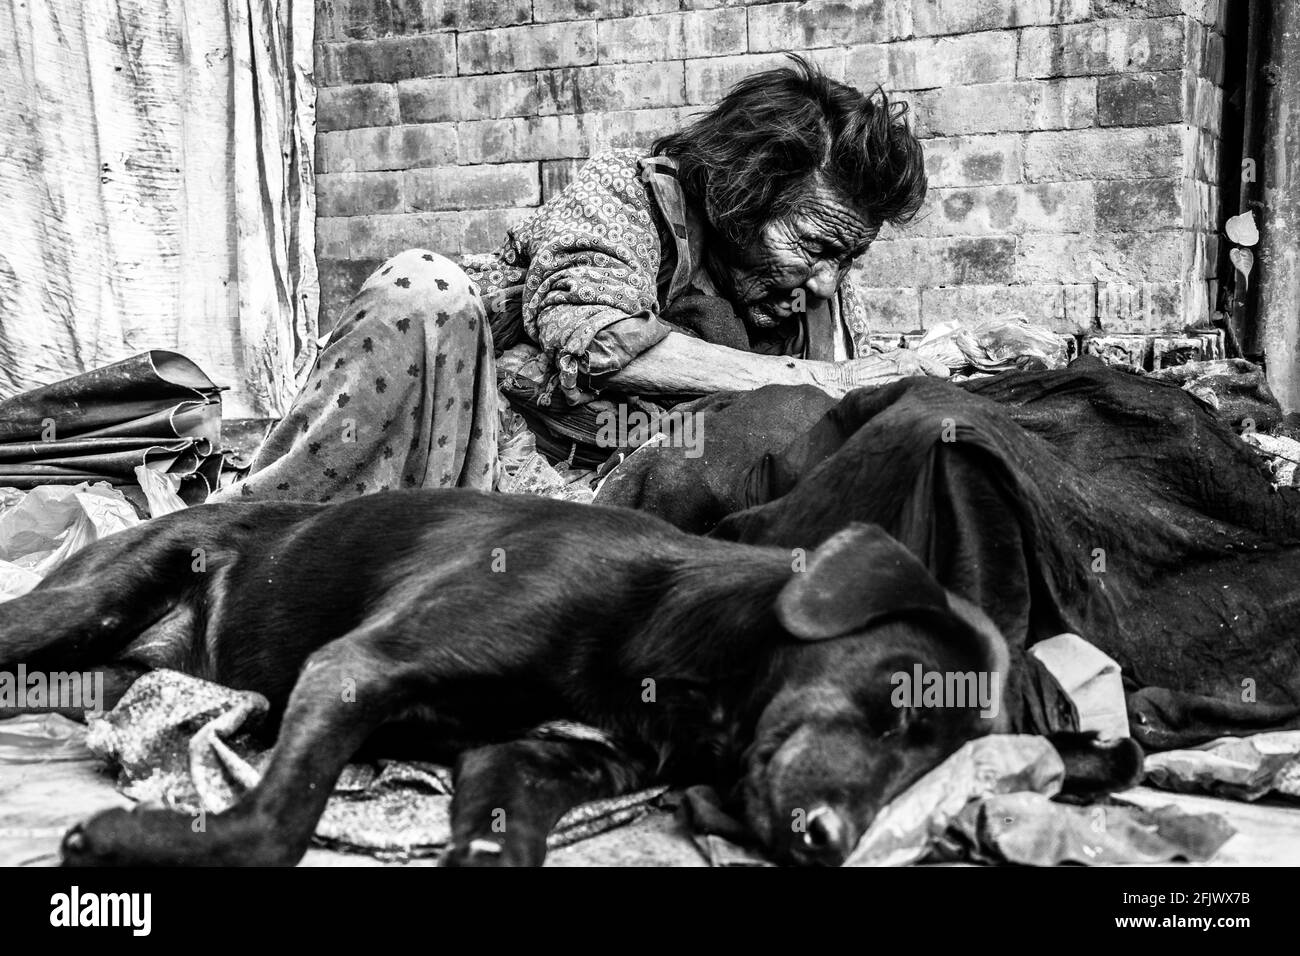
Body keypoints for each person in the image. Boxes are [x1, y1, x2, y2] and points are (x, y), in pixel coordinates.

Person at [215, 55, 942, 504]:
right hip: (488, 459)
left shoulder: (811, 287)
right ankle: (245, 531)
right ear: (741, 196)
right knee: (422, 287)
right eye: (813, 247)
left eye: (845, 259)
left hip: (616, 513)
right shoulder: (624, 196)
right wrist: (802, 377)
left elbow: (849, 407)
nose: (825, 282)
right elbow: (597, 339)